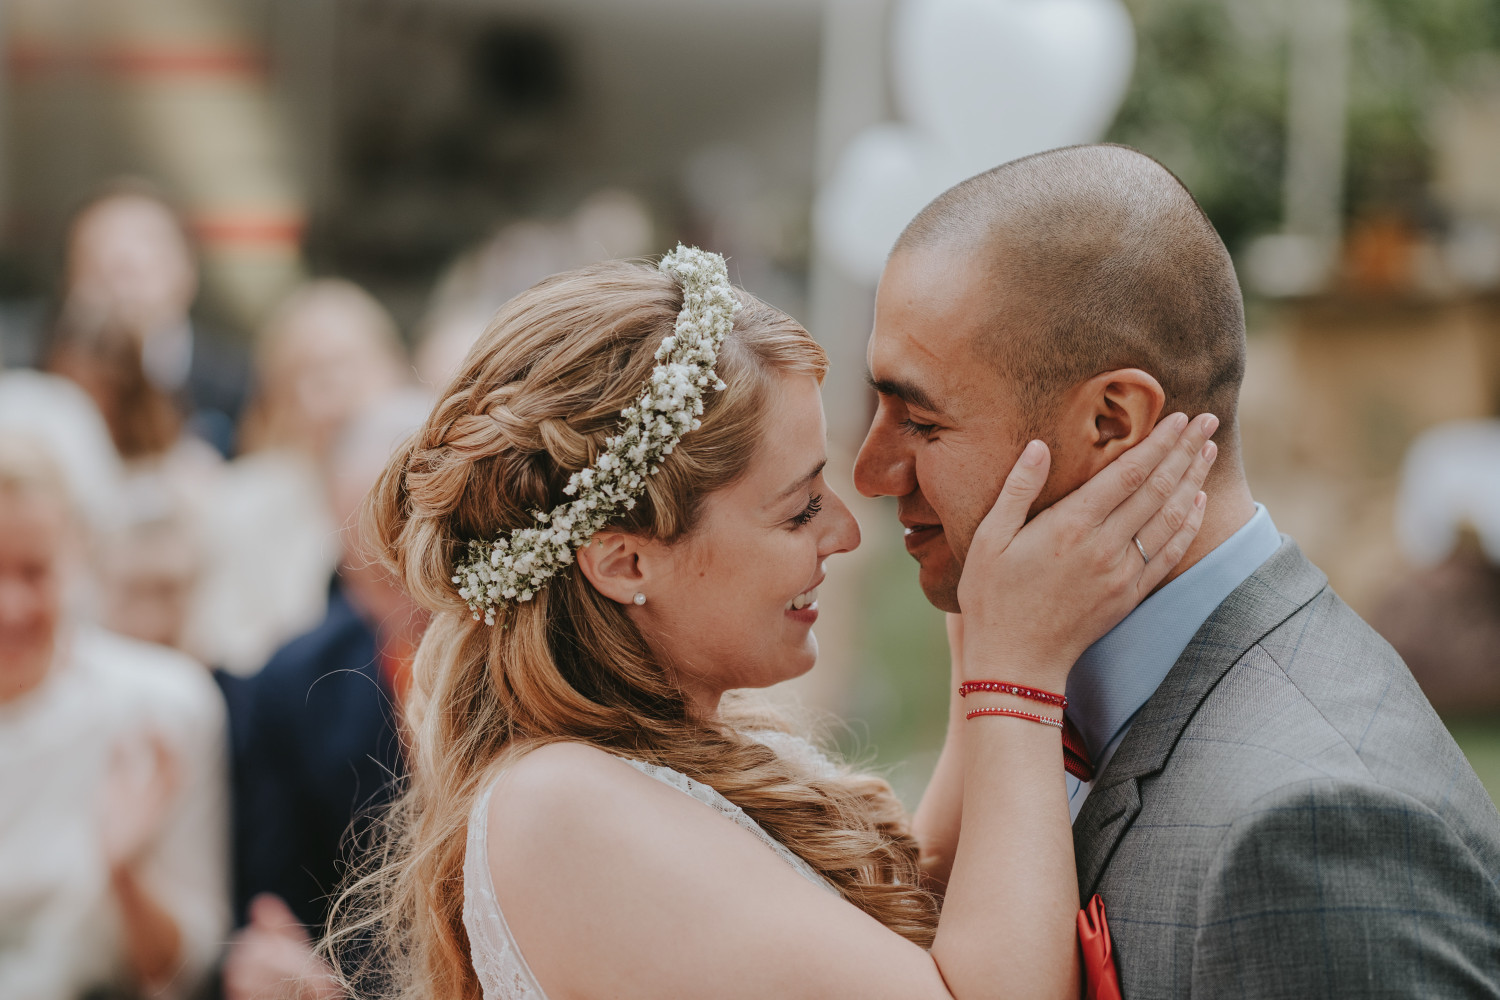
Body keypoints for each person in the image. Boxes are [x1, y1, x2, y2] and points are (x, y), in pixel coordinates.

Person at [325, 247, 1217, 999]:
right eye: (798, 511)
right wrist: (1017, 677)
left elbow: (922, 923)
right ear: (625, 561)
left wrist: (980, 634)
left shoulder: (668, 755)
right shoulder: (561, 807)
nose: (843, 533)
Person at [855, 144, 1500, 995]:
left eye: (921, 421)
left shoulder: (1308, 827)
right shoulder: (1042, 678)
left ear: (1113, 424)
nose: (870, 471)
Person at [0, 434, 229, 1000]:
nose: (11, 607)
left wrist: (124, 874)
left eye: (34, 573)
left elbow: (190, 969)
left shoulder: (165, 706)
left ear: (76, 558)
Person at [222, 392, 432, 1000]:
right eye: (371, 570)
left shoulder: (542, 660)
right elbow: (273, 907)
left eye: (414, 553)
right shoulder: (290, 686)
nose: (403, 594)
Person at [190, 279, 409, 677]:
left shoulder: (440, 488)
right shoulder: (239, 503)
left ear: (392, 366)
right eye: (304, 374)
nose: (331, 390)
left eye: (345, 364)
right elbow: (229, 645)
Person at [58, 180, 249, 457]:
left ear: (187, 270)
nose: (119, 288)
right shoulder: (41, 388)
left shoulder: (243, 384)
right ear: (69, 284)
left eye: (135, 266)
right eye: (97, 266)